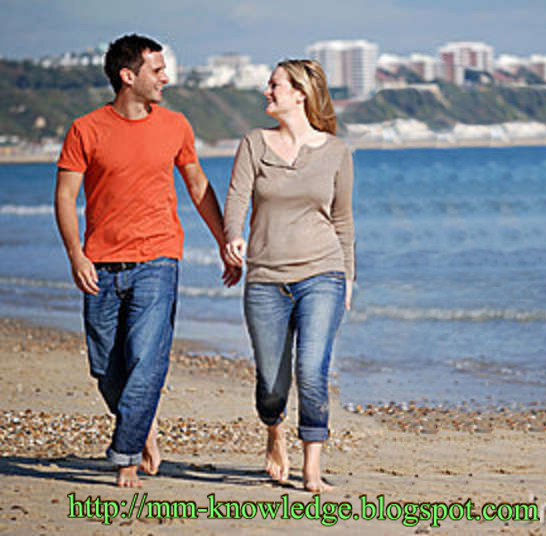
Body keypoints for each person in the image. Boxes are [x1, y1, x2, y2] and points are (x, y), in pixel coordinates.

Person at [54, 33, 240, 488]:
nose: (165, 78)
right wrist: (76, 254)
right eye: (157, 70)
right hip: (100, 263)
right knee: (105, 367)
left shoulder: (175, 125)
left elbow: (198, 186)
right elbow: (65, 196)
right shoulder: (86, 129)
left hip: (158, 259)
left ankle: (127, 455)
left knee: (147, 359)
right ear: (128, 76)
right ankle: (141, 424)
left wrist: (225, 241)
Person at [223, 59, 354, 493]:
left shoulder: (336, 152)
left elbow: (343, 220)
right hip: (265, 279)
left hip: (323, 274)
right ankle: (274, 431)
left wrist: (348, 278)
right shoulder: (254, 143)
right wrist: (232, 238)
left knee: (313, 370)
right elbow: (237, 198)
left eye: (274, 84)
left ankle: (312, 467)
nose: (267, 91)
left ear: (300, 93)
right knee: (271, 385)